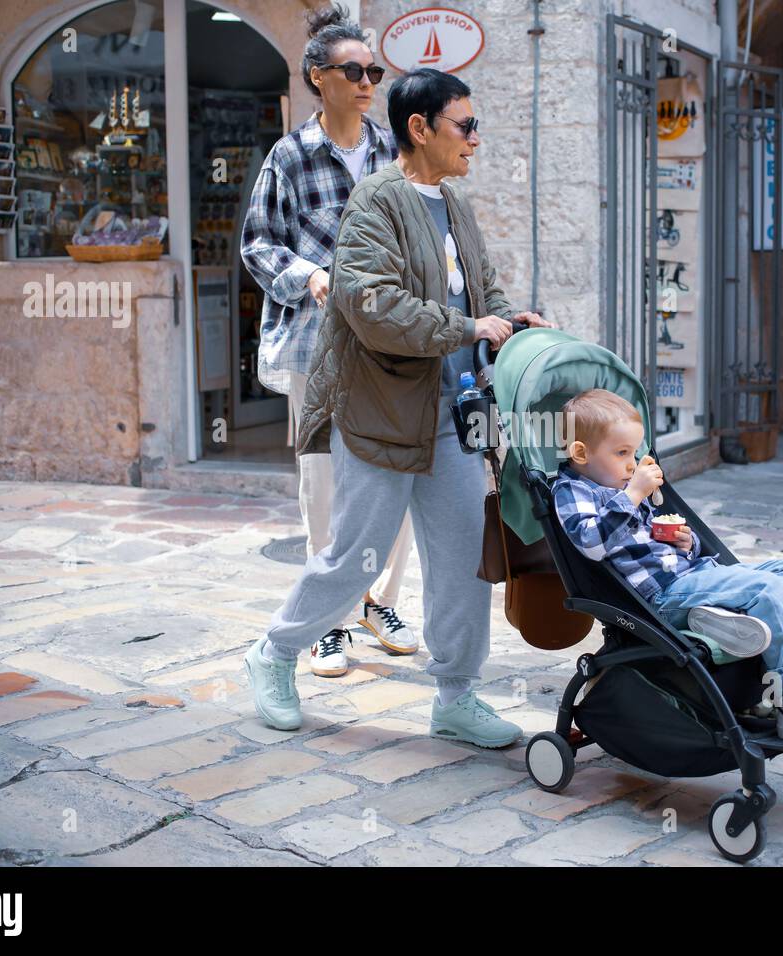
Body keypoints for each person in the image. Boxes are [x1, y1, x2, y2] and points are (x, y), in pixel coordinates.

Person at [242, 67, 553, 744]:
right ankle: (274, 652)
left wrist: (507, 319)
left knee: (465, 557)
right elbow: (370, 306)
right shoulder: (375, 202)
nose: (475, 138)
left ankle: (456, 695)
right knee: (355, 556)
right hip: (379, 411)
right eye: (464, 126)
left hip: (451, 418)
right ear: (420, 128)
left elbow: (484, 292)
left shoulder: (456, 205)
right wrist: (466, 329)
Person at [241, 3, 416, 677]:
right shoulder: (289, 157)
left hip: (392, 345)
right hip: (317, 347)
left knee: (400, 473)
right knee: (324, 486)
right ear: (319, 76)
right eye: (354, 69)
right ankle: (328, 622)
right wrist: (311, 277)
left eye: (374, 69)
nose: (369, 80)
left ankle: (379, 601)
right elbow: (258, 244)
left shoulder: (393, 154)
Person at [550, 388, 783, 745]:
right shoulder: (574, 492)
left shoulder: (621, 483)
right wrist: (633, 495)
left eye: (635, 452)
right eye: (622, 453)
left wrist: (686, 543)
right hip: (662, 598)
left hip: (691, 576)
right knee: (766, 590)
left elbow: (654, 541)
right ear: (581, 453)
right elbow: (591, 545)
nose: (632, 463)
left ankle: (715, 617)